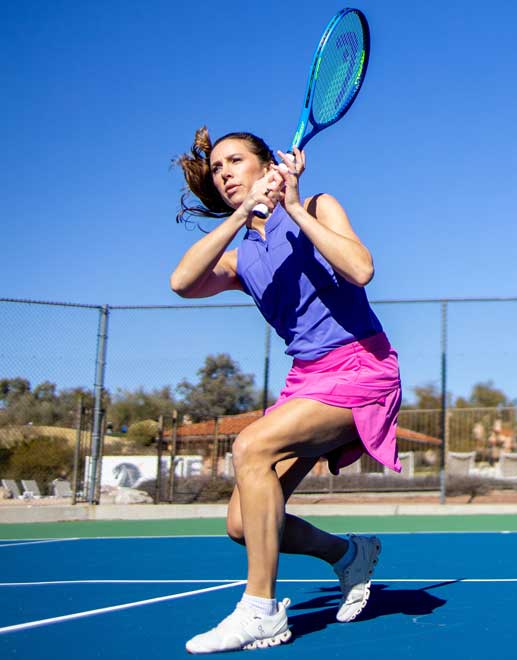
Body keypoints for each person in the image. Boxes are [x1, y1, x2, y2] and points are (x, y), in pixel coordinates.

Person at [170, 127, 402, 653]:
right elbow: (182, 283)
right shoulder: (240, 256)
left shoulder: (318, 205)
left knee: (250, 446)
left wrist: (293, 207)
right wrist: (239, 215)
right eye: (216, 169)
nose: (224, 172)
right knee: (240, 524)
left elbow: (361, 269)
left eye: (234, 161)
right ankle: (348, 554)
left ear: (265, 163)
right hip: (308, 379)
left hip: (362, 366)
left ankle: (260, 611)